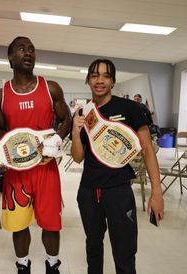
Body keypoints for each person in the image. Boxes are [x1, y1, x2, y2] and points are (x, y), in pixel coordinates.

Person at [71, 59, 164, 274]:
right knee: (93, 250)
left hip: (119, 192)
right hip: (88, 192)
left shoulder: (130, 108)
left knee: (124, 254)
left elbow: (148, 149)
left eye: (105, 75)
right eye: (95, 75)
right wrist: (76, 132)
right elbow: (77, 158)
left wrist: (156, 192)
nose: (100, 80)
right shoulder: (84, 113)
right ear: (88, 80)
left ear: (113, 80)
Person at [0, 36, 71, 274]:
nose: (28, 53)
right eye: (22, 48)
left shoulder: (51, 87)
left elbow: (65, 119)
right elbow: (0, 130)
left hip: (45, 169)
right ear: (10, 56)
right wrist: (0, 153)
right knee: (18, 224)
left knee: (51, 223)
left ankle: (52, 265)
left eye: (32, 50)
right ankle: (23, 266)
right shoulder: (1, 95)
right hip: (17, 173)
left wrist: (57, 138)